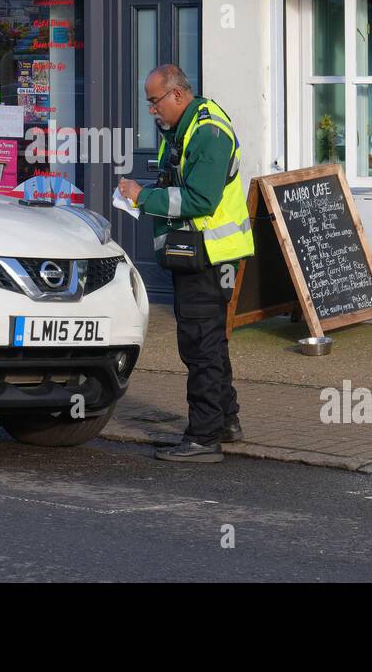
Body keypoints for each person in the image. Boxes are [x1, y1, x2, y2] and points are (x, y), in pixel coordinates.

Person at [118, 64, 255, 463]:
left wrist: (143, 198)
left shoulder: (208, 133)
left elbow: (199, 200)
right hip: (198, 253)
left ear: (177, 94)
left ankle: (203, 437)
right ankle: (225, 421)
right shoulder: (185, 127)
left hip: (210, 256)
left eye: (155, 100)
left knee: (200, 346)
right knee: (210, 342)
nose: (151, 109)